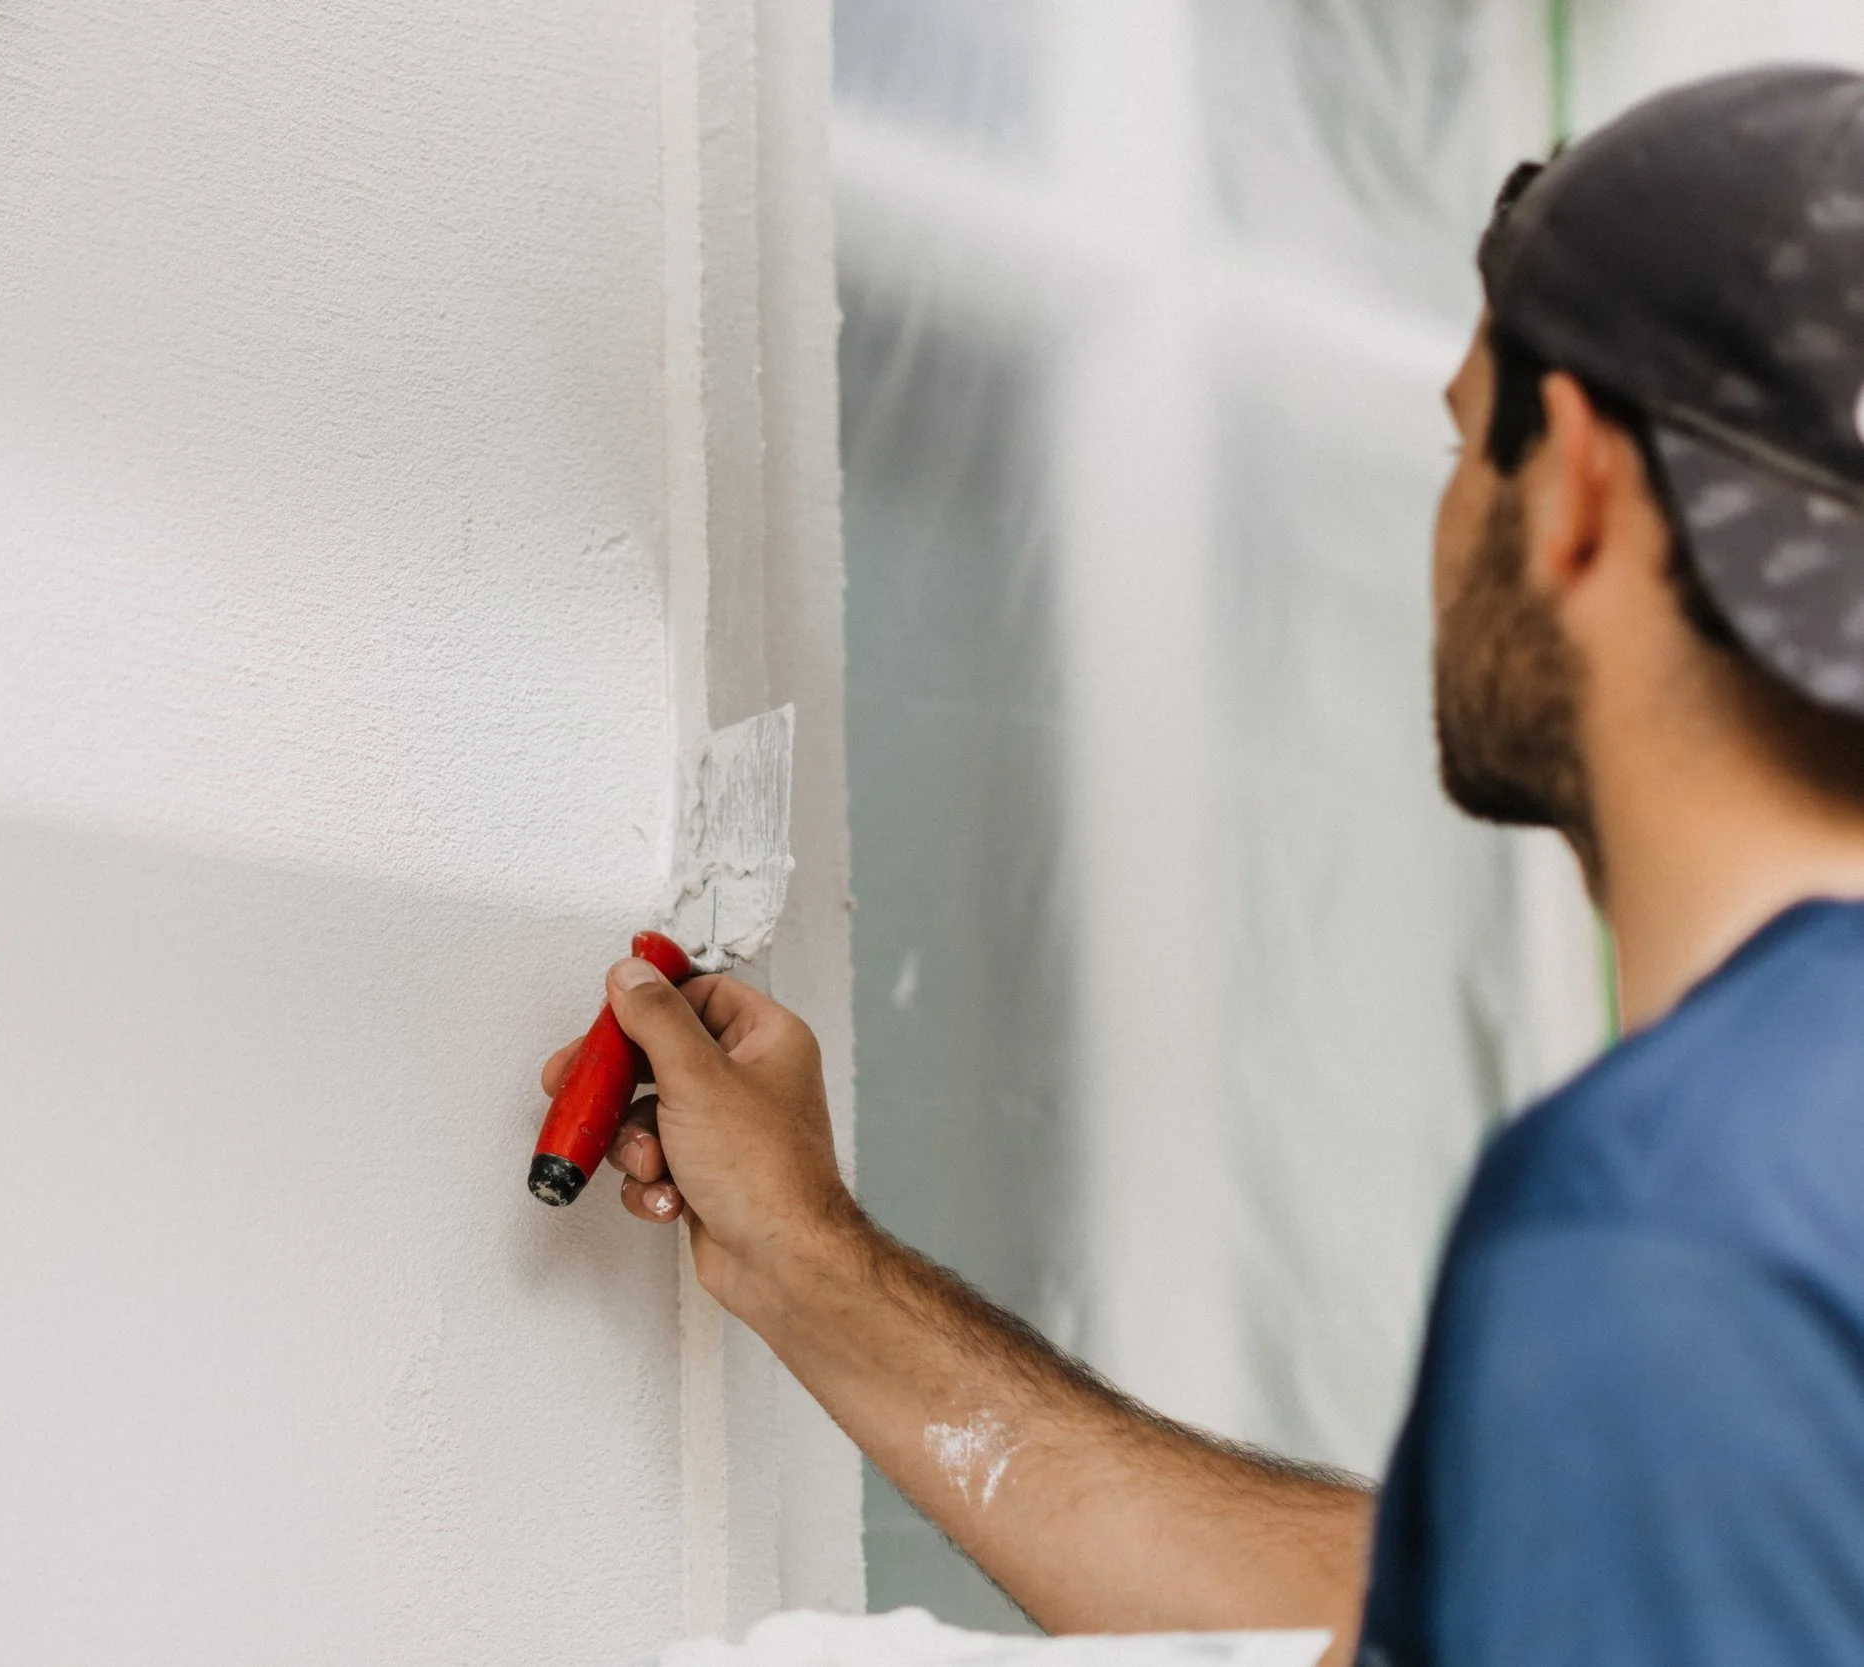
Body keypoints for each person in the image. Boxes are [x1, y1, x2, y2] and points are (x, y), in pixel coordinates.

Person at [542, 66, 1864, 1667]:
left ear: (1576, 478)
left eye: (1463, 447)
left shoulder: (1666, 1223)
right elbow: (1485, 1599)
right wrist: (815, 1265)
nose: (1441, 527)